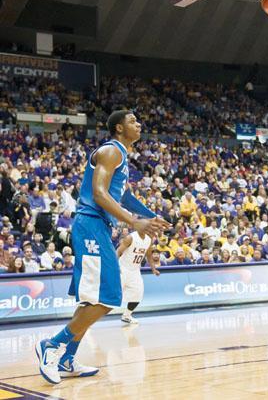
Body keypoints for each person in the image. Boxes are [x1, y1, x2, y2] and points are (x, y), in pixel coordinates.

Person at [36, 110, 170, 385]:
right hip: (91, 225)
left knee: (91, 300)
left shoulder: (121, 156)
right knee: (109, 297)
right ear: (119, 128)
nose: (139, 123)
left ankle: (66, 359)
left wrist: (148, 216)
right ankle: (52, 345)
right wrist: (135, 222)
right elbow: (99, 193)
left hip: (98, 227)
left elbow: (124, 195)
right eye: (133, 120)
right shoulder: (111, 151)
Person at [117, 230, 159, 325]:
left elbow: (148, 255)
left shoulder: (149, 240)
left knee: (137, 295)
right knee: (112, 296)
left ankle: (127, 316)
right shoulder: (130, 238)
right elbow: (118, 252)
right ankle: (88, 318)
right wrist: (115, 266)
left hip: (135, 270)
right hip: (122, 268)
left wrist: (153, 269)